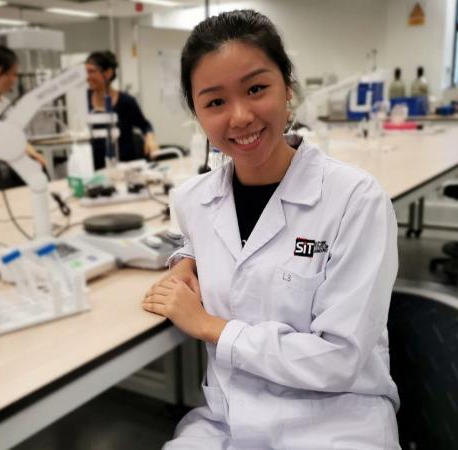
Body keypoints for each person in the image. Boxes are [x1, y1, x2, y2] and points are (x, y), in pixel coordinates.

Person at [142, 10, 400, 449]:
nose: (240, 116)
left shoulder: (355, 200)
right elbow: (194, 238)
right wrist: (184, 261)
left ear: (288, 88)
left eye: (256, 89)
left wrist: (210, 326)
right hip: (228, 417)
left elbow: (339, 360)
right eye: (215, 102)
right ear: (197, 114)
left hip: (336, 418)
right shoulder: (192, 199)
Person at [85, 50, 159, 170]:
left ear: (108, 73)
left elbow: (145, 125)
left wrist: (150, 139)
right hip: (94, 170)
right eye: (86, 72)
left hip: (125, 169)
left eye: (92, 71)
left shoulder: (126, 102)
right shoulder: (83, 101)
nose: (87, 77)